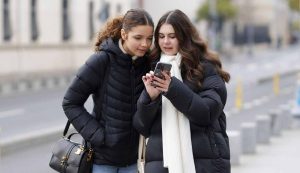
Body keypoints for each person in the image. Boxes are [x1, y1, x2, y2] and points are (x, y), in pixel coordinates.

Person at [133, 9, 231, 173]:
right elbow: (142, 127)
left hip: (202, 163)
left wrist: (172, 88)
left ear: (185, 37)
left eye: (172, 36)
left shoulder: (205, 68)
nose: (166, 42)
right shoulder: (150, 68)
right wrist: (149, 97)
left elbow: (207, 112)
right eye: (161, 36)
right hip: (161, 164)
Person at [62, 9, 154, 173]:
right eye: (138, 38)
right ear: (124, 34)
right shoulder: (102, 60)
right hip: (102, 161)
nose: (145, 44)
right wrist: (98, 136)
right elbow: (70, 102)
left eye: (149, 38)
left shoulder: (147, 64)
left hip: (134, 160)